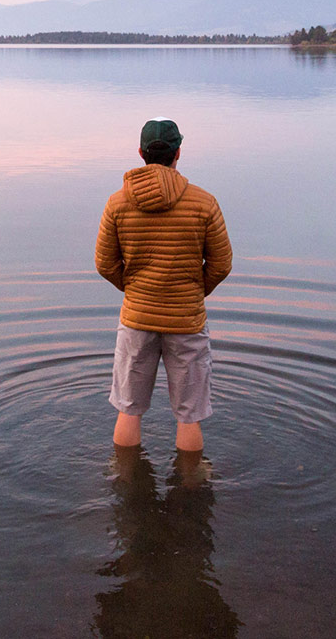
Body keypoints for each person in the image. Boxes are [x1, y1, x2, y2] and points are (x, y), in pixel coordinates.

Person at [95, 118, 233, 452]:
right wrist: (194, 292)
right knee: (189, 415)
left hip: (137, 318)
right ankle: (191, 490)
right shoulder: (204, 203)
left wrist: (134, 290)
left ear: (141, 153)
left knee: (128, 409)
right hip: (186, 320)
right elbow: (222, 264)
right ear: (178, 153)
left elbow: (104, 263)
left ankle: (125, 484)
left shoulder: (117, 203)